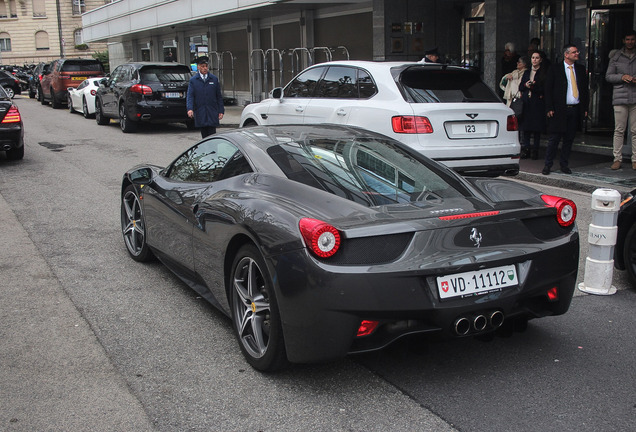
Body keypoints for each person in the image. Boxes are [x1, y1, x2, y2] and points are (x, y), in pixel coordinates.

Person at [542, 44, 588, 175]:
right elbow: (548, 89)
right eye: (574, 52)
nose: (577, 54)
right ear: (566, 54)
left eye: (577, 52)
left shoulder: (580, 69)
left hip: (574, 108)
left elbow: (584, 90)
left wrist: (585, 108)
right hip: (559, 109)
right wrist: (549, 107)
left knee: (569, 139)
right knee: (554, 139)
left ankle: (564, 164)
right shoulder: (555, 69)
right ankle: (548, 164)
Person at [605, 30, 636, 170]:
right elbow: (609, 76)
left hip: (635, 96)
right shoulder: (616, 57)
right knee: (619, 130)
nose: (630, 42)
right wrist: (622, 77)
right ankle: (617, 158)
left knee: (635, 130)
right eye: (628, 39)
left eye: (632, 39)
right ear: (623, 40)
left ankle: (635, 159)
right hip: (620, 97)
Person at [518, 50, 548, 160]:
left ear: (540, 60)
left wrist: (533, 87)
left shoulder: (543, 73)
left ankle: (535, 150)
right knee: (525, 128)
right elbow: (520, 87)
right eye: (532, 58)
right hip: (526, 103)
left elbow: (544, 89)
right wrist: (526, 85)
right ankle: (526, 149)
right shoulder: (527, 72)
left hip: (537, 103)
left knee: (536, 129)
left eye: (536, 58)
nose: (534, 60)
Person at [187, 56, 225, 139]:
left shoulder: (213, 79)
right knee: (204, 137)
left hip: (212, 112)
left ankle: (214, 151)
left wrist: (221, 110)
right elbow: (190, 96)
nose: (205, 68)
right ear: (198, 67)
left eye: (206, 66)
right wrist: (190, 109)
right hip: (201, 112)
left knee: (212, 136)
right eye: (203, 66)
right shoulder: (194, 80)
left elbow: (218, 96)